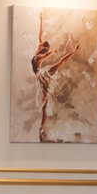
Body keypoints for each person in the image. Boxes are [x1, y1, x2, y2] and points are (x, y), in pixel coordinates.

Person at [30, 10, 80, 142]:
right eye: (41, 43)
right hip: (40, 76)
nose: (40, 43)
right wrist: (41, 20)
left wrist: (51, 52)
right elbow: (40, 35)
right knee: (45, 104)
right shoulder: (38, 51)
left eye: (42, 44)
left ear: (42, 47)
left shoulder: (39, 55)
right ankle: (42, 129)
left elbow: (43, 56)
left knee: (45, 103)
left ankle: (42, 129)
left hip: (42, 75)